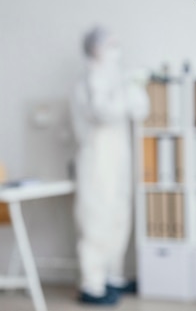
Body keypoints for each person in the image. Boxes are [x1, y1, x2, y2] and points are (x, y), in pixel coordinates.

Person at [70, 27, 149, 305]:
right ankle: (92, 284)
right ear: (95, 48)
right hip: (96, 158)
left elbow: (140, 109)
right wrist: (124, 89)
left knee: (119, 213)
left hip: (118, 157)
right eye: (110, 44)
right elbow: (104, 112)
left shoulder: (116, 78)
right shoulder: (91, 78)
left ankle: (112, 277)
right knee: (96, 217)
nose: (116, 49)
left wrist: (131, 86)